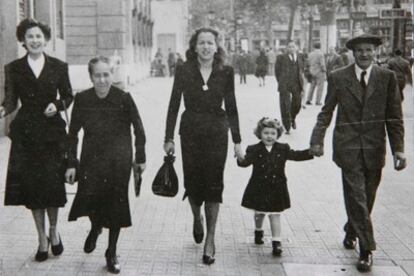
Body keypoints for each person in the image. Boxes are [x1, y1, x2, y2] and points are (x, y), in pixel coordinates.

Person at [309, 34, 406, 273]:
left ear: (375, 52)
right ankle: (366, 249)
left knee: (367, 196)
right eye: (360, 50)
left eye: (369, 50)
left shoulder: (387, 78)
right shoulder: (338, 77)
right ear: (353, 53)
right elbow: (326, 111)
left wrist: (399, 150)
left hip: (374, 147)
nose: (364, 54)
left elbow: (394, 117)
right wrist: (317, 140)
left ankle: (352, 229)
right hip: (348, 147)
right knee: (357, 195)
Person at [164, 27, 243, 265]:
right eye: (202, 43)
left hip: (217, 133)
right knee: (193, 182)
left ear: (217, 46)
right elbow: (174, 104)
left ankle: (210, 238)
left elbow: (231, 106)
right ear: (194, 46)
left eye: (210, 43)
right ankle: (196, 216)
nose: (206, 47)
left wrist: (237, 141)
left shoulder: (226, 71)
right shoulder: (184, 69)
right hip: (190, 132)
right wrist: (168, 138)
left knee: (214, 184)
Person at [0, 18, 73, 262]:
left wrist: (57, 104)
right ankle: (41, 237)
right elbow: (10, 100)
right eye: (30, 37)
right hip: (27, 135)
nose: (34, 40)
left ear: (46, 39)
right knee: (33, 188)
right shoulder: (13, 68)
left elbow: (68, 96)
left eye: (38, 36)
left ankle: (54, 230)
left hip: (52, 134)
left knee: (52, 186)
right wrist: (2, 110)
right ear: (23, 40)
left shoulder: (59, 66)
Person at [65, 56, 146, 274]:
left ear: (112, 74)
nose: (102, 80)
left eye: (106, 74)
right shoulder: (82, 99)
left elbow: (139, 129)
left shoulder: (123, 98)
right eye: (97, 75)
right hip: (91, 160)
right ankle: (95, 226)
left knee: (116, 205)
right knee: (91, 199)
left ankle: (111, 251)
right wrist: (71, 163)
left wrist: (140, 158)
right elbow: (72, 135)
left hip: (119, 160)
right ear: (90, 77)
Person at [237, 117, 313, 256]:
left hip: (277, 187)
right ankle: (258, 230)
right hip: (259, 187)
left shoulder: (283, 148)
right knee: (259, 212)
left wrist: (311, 152)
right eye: (266, 133)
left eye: (273, 133)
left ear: (278, 134)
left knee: (275, 214)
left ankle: (276, 242)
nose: (269, 136)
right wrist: (239, 156)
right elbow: (245, 163)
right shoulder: (254, 149)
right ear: (259, 133)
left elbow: (295, 155)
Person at [275, 40, 305, 134]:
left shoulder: (300, 57)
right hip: (285, 85)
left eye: (293, 46)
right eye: (289, 47)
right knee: (285, 106)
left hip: (296, 84)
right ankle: (287, 126)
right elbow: (277, 71)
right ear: (286, 48)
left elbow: (302, 70)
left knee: (298, 104)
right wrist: (281, 81)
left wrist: (302, 84)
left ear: (296, 48)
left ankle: (292, 118)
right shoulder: (281, 58)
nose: (291, 49)